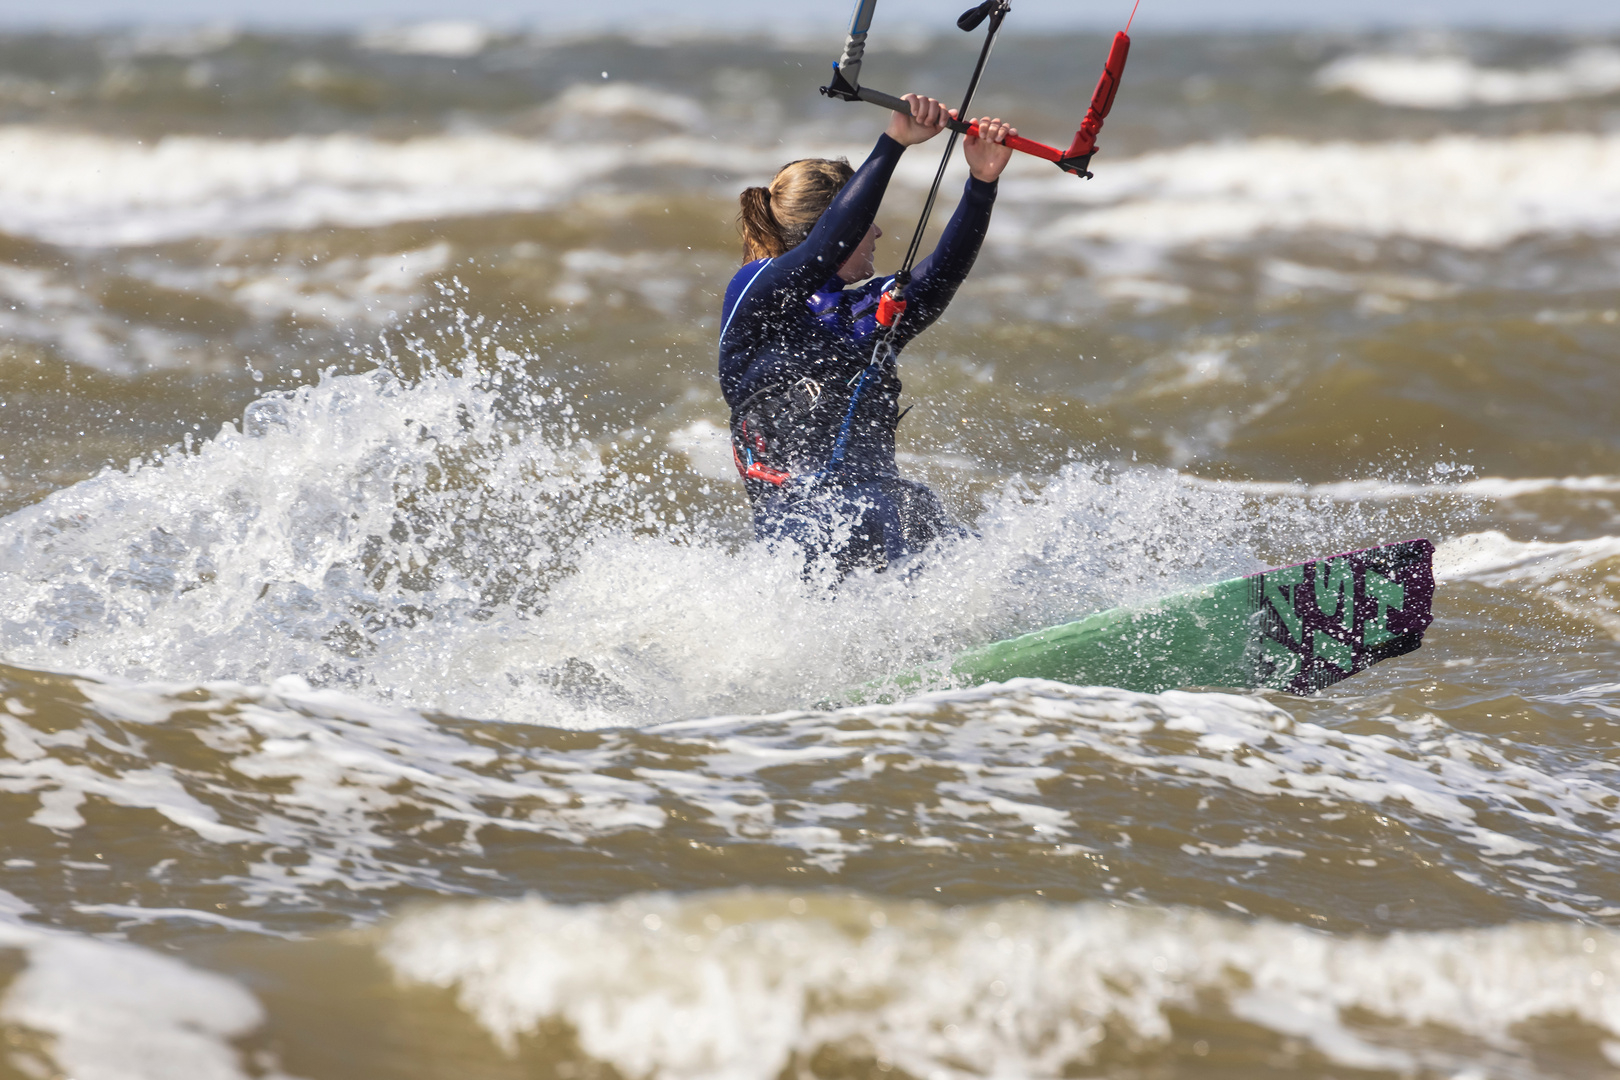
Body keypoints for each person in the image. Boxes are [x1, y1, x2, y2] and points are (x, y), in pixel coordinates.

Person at [718, 94, 1015, 578]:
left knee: (938, 524)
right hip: (804, 529)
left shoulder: (866, 312)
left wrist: (982, 183)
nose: (875, 231)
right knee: (881, 511)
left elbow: (942, 275)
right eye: (864, 220)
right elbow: (825, 248)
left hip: (888, 508)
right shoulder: (754, 296)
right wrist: (894, 143)